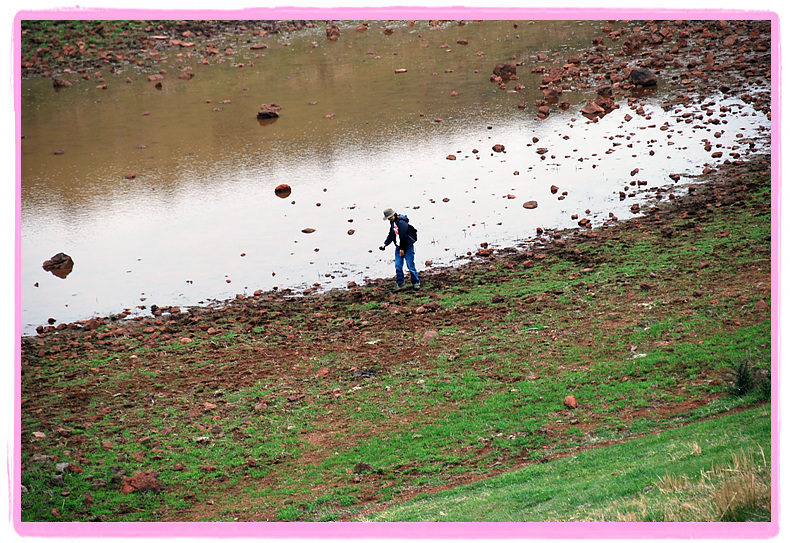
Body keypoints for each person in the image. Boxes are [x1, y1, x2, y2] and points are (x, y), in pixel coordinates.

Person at [379, 208, 420, 290]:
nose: (389, 219)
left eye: (390, 217)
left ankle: (416, 283)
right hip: (398, 247)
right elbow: (391, 234)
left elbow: (403, 236)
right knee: (398, 266)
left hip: (407, 246)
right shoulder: (393, 223)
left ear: (394, 215)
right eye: (388, 218)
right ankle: (401, 284)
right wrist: (385, 244)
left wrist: (402, 249)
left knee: (410, 265)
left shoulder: (402, 223)